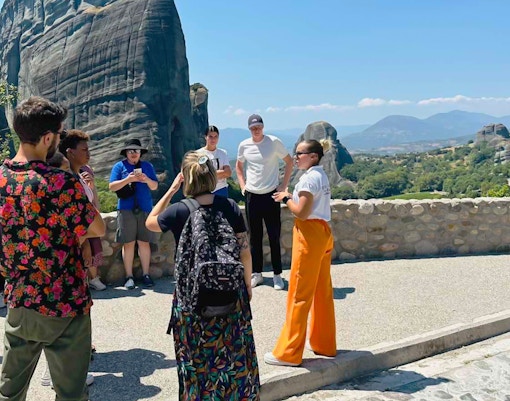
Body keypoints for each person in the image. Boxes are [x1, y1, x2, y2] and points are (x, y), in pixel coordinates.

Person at [0, 96, 105, 400]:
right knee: (70, 394)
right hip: (66, 302)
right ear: (47, 137)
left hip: (21, 300)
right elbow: (96, 227)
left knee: (10, 392)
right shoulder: (61, 182)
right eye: (58, 135)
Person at [146, 151, 260, 400]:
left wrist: (172, 190)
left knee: (196, 358)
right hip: (232, 293)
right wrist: (247, 285)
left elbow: (150, 221)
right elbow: (245, 251)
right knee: (233, 354)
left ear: (186, 179)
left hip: (192, 299)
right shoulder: (230, 206)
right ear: (212, 177)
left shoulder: (179, 211)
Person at [265, 139, 336, 367]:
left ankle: (288, 352)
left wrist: (285, 197)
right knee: (321, 290)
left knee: (299, 292)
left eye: (300, 153)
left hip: (309, 234)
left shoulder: (308, 178)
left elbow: (302, 212)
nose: (296, 157)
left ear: (313, 156)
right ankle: (324, 344)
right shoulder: (321, 175)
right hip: (323, 231)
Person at [236, 114, 293, 290]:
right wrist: (243, 186)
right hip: (252, 195)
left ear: (263, 126)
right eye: (253, 127)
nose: (256, 130)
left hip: (271, 194)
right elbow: (238, 166)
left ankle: (277, 275)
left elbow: (289, 162)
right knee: (255, 237)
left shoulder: (274, 142)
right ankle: (257, 274)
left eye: (258, 126)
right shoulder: (244, 145)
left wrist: (283, 186)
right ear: (249, 129)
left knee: (274, 234)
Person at [60, 129, 107, 291]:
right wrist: (85, 240)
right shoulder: (66, 180)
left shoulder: (80, 175)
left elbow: (92, 205)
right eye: (84, 150)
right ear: (70, 153)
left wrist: (91, 186)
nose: (89, 154)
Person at [109, 139, 158, 289]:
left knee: (144, 242)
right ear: (126, 153)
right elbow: (112, 186)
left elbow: (154, 186)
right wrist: (128, 179)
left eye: (136, 151)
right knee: (128, 243)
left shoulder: (147, 166)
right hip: (126, 209)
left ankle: (146, 274)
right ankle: (129, 276)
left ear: (140, 153)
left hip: (145, 208)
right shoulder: (119, 166)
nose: (133, 153)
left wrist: (145, 179)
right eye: (130, 151)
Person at [198, 125, 231, 197]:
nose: (213, 139)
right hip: (205, 191)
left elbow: (228, 173)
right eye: (210, 137)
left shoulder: (223, 153)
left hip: (221, 189)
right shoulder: (198, 154)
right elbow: (199, 175)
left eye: (215, 136)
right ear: (205, 137)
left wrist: (208, 174)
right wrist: (221, 173)